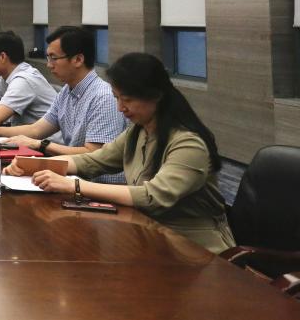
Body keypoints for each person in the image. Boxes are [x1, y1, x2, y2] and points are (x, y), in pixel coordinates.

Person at [22, 52, 235, 254]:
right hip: (149, 234)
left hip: (195, 250)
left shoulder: (189, 143)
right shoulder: (139, 131)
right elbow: (93, 161)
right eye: (117, 98)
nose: (120, 108)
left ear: (156, 95)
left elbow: (152, 196)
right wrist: (29, 165)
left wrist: (75, 186)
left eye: (127, 99)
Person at [0, 26, 127, 182]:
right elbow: (36, 129)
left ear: (78, 59)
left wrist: (40, 145)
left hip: (100, 186)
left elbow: (93, 154)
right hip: (73, 177)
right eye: (48, 57)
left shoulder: (103, 97)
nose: (49, 64)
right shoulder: (67, 91)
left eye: (53, 58)